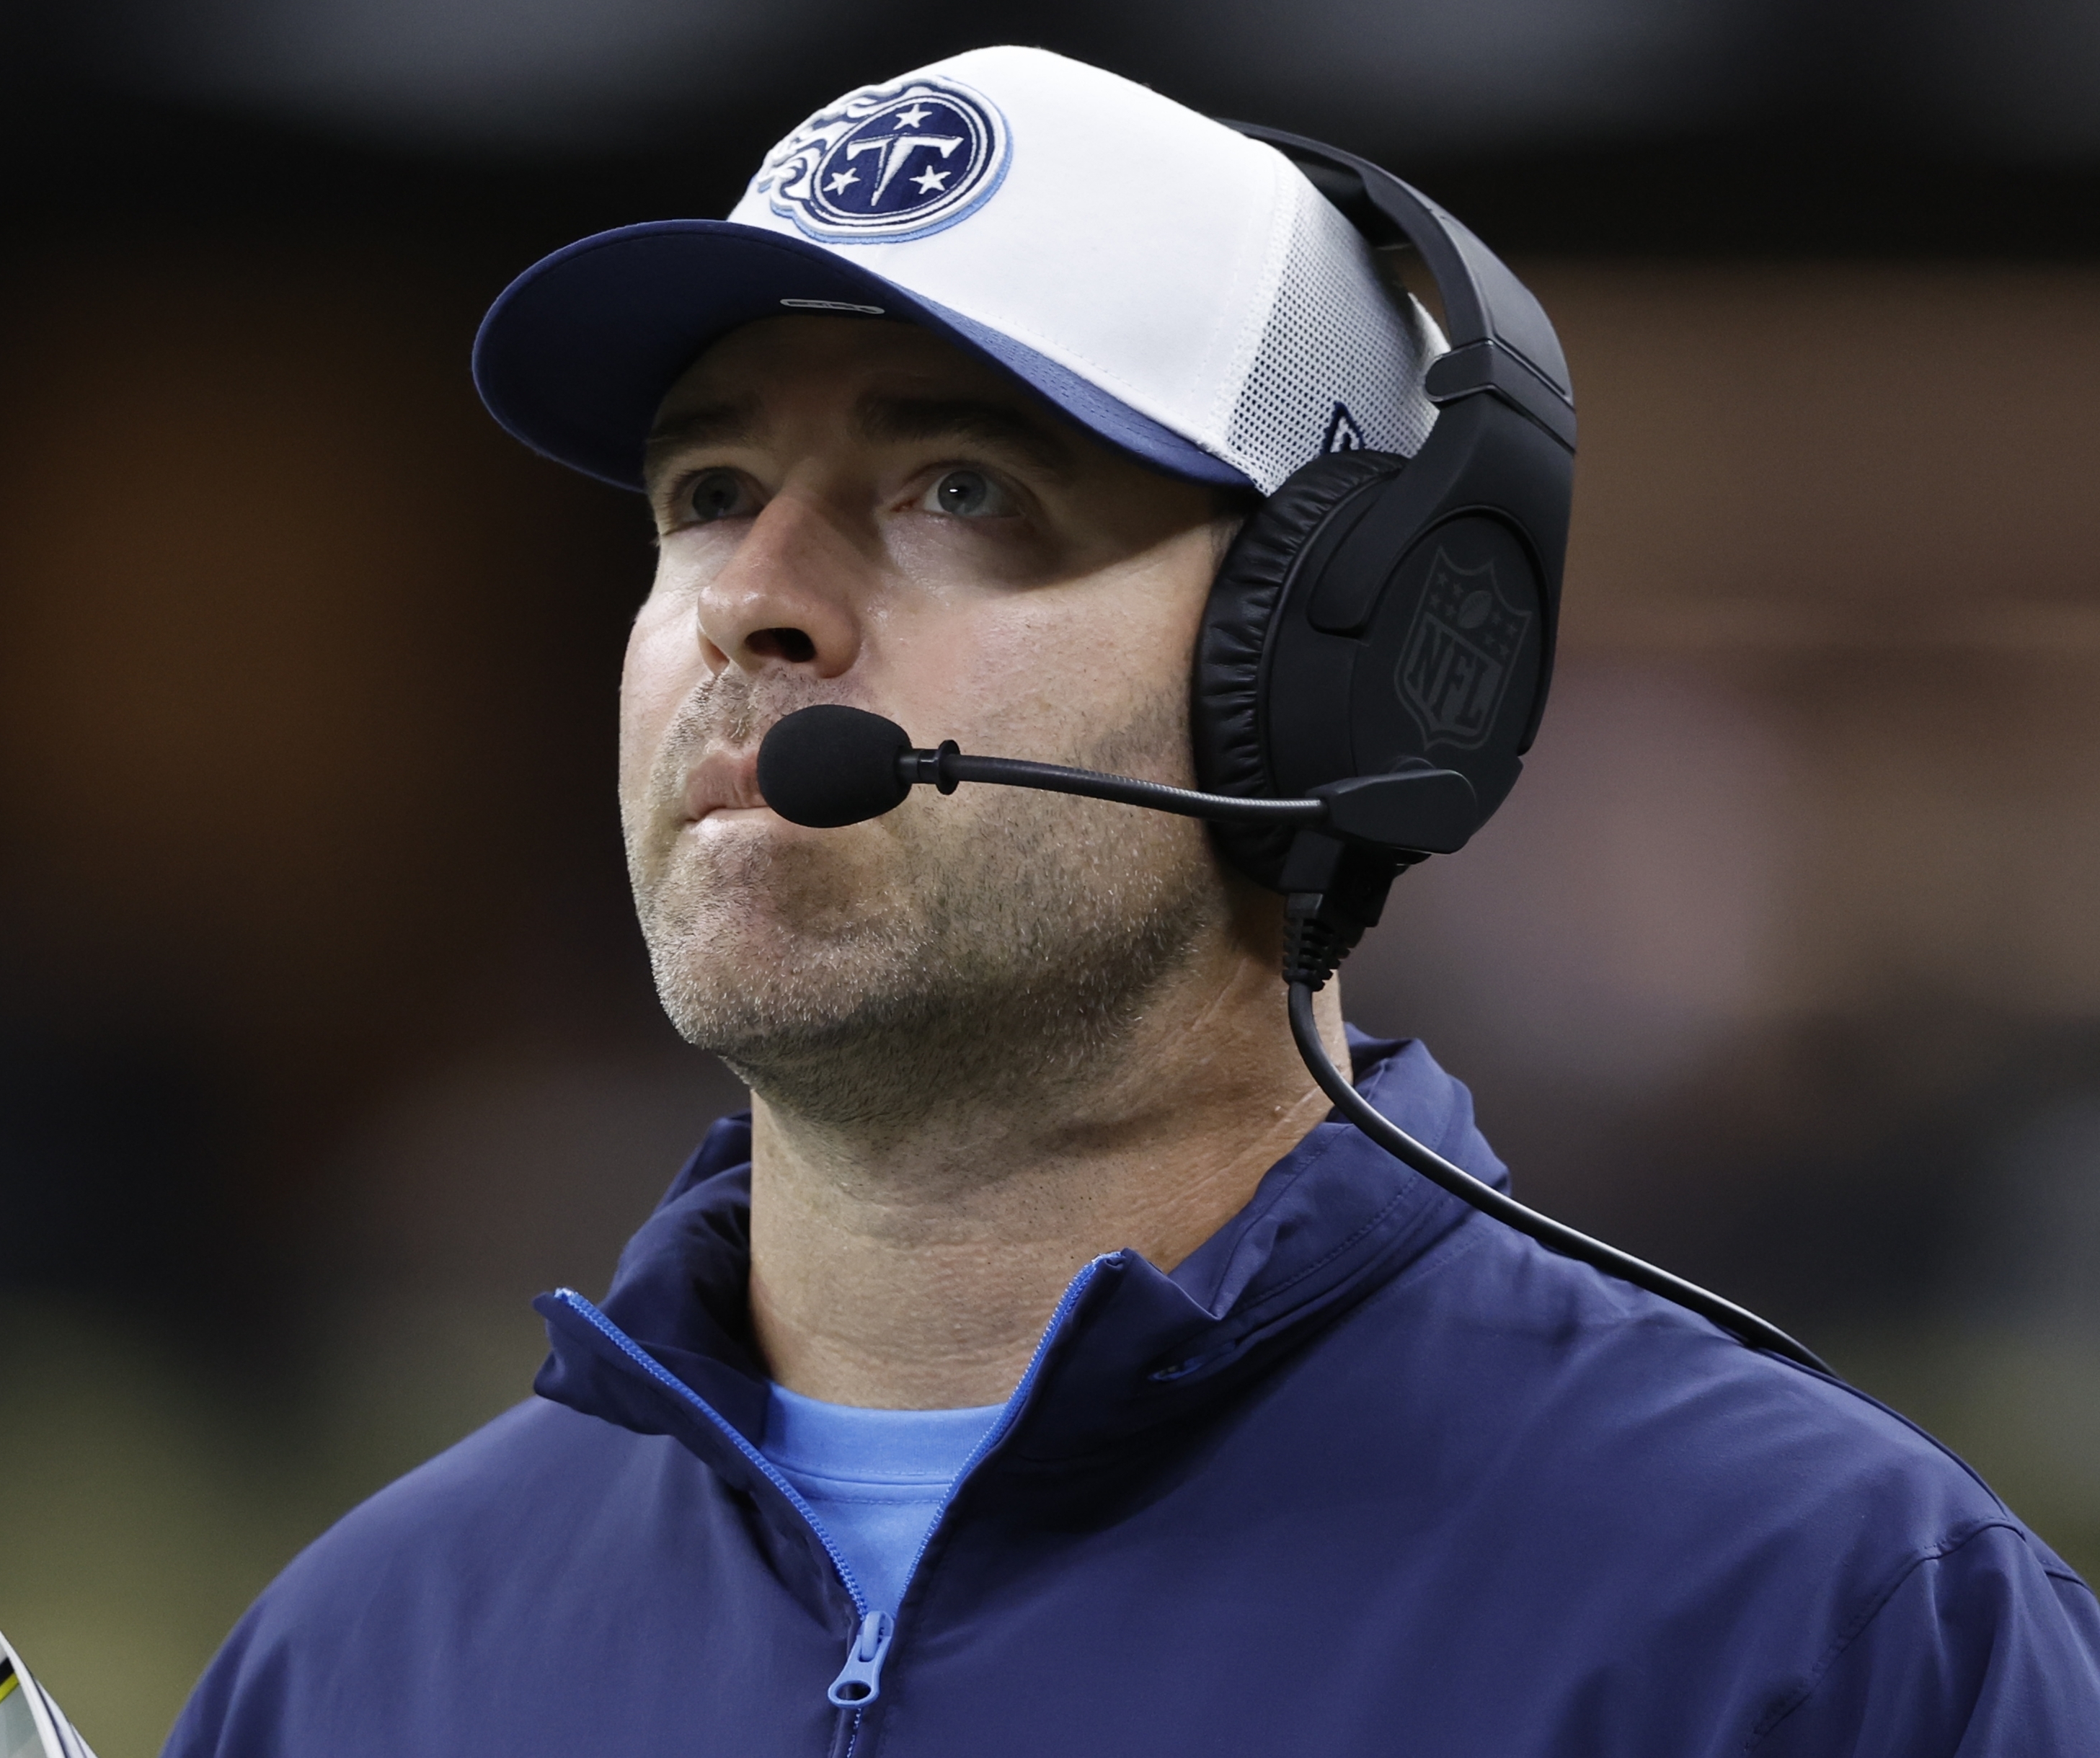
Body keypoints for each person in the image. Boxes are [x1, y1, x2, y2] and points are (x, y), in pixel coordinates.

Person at [163, 45, 2100, 1755]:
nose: (753, 594)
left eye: (959, 487)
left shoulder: (1808, 1624)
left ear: (1338, 668)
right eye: (704, 488)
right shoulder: (355, 1663)